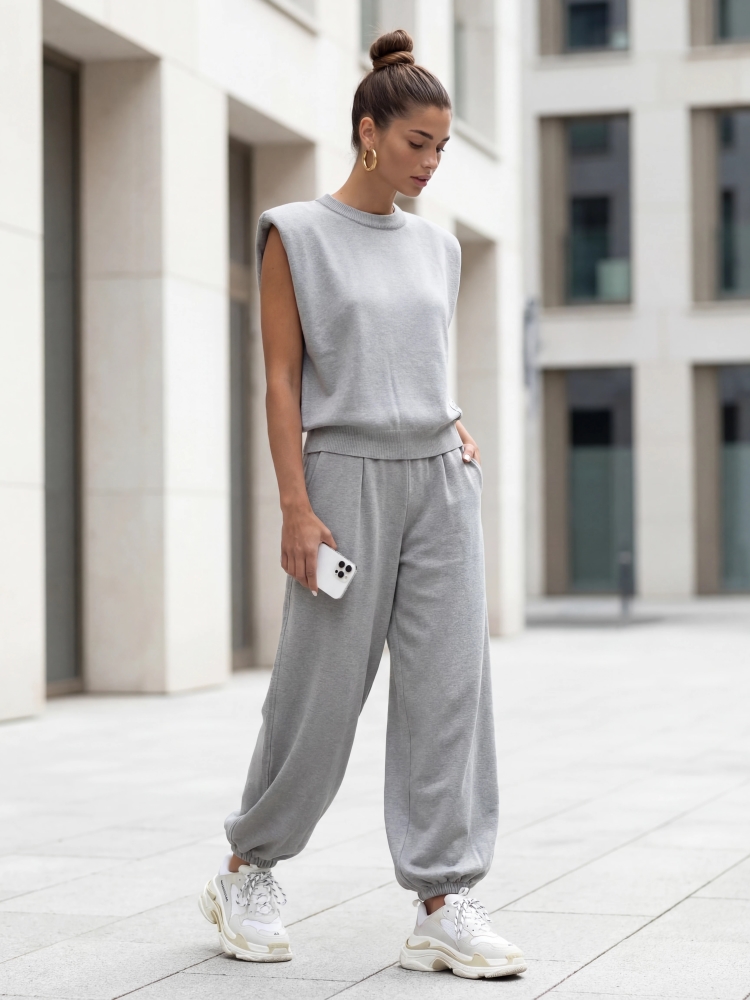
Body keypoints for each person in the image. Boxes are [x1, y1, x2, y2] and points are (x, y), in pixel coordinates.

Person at [198, 28, 526, 981]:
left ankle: (442, 900)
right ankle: (247, 869)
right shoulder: (294, 234)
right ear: (369, 133)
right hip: (342, 479)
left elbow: (419, 357)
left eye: (443, 147)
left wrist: (453, 420)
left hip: (440, 483)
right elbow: (281, 381)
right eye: (418, 142)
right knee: (320, 691)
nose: (431, 162)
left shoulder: (439, 247)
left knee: (450, 690)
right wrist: (295, 508)